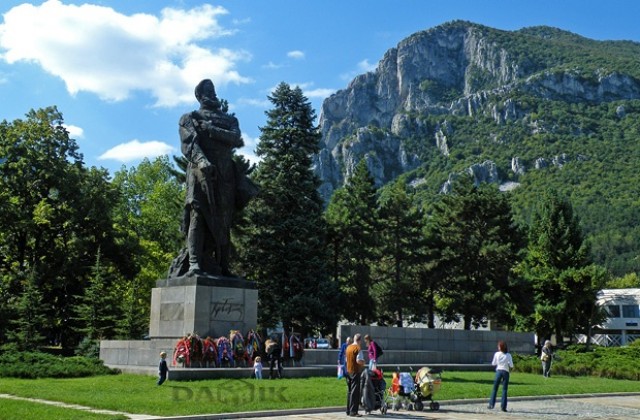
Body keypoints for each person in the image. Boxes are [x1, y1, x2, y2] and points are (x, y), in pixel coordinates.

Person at [171, 79, 254, 277]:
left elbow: (235, 138)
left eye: (214, 90)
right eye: (208, 91)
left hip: (225, 174)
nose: (213, 94)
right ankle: (194, 264)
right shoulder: (189, 117)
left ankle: (223, 266)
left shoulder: (229, 120)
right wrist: (201, 161)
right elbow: (189, 144)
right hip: (200, 174)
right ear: (199, 96)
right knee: (198, 216)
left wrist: (210, 129)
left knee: (225, 220)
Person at [488, 340, 513, 412]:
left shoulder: (497, 354)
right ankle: (503, 406)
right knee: (504, 389)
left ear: (500, 347)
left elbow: (493, 363)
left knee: (495, 388)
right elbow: (511, 365)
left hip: (499, 371)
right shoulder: (508, 355)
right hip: (506, 372)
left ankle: (491, 404)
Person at [345, 333, 366, 417]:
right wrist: (363, 362)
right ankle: (353, 411)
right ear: (359, 341)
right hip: (355, 371)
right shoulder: (358, 348)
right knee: (355, 392)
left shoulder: (348, 347)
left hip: (348, 371)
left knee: (350, 391)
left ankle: (348, 410)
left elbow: (346, 359)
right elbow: (358, 360)